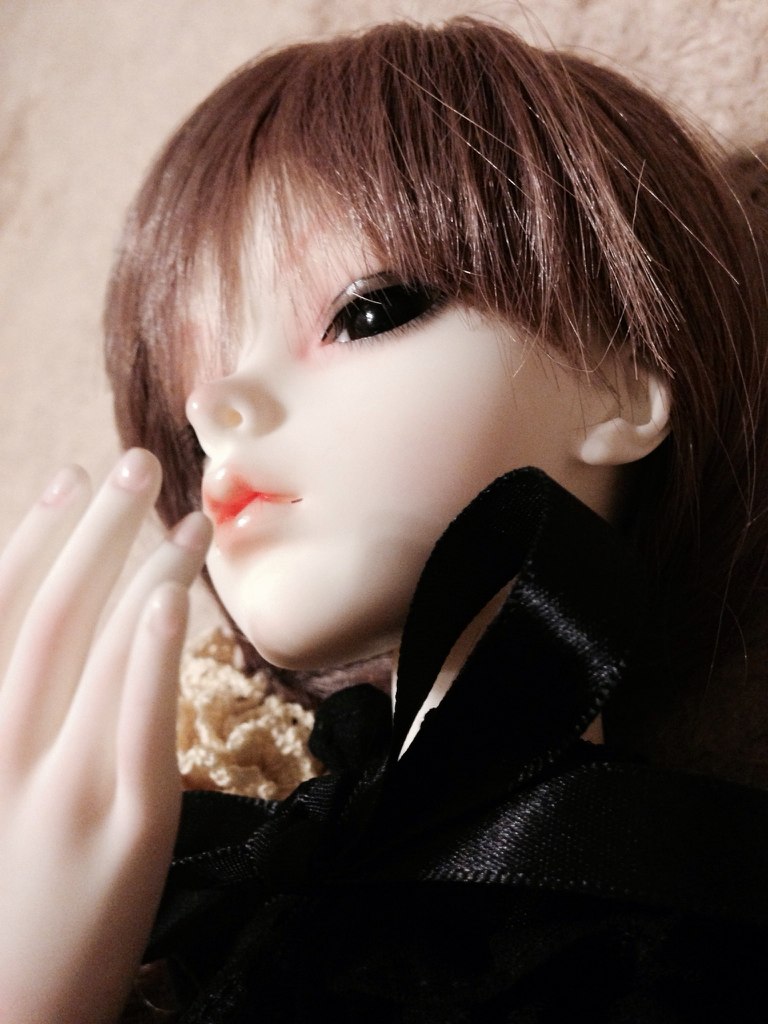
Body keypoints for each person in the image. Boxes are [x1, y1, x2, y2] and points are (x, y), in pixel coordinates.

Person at [2, 16, 768, 1023]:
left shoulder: (665, 911)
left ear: (622, 387)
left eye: (367, 312)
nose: (215, 411)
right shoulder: (220, 862)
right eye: (191, 409)